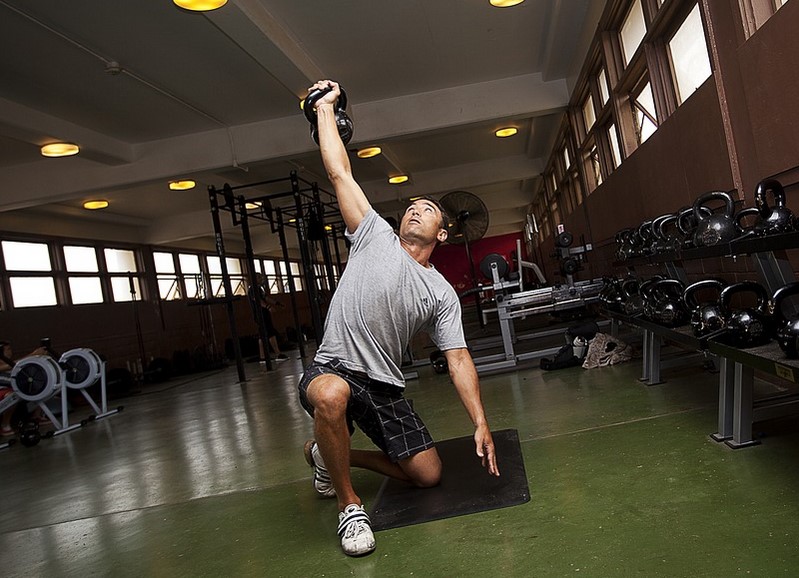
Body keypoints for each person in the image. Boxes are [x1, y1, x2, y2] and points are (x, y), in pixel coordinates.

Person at [297, 80, 500, 557]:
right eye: (411, 206)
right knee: (330, 393)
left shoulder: (440, 292)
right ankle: (350, 506)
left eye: (426, 209)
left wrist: (480, 421)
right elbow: (339, 172)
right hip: (334, 367)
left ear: (443, 233)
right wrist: (325, 108)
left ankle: (326, 459)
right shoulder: (373, 235)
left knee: (427, 475)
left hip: (384, 385)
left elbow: (458, 358)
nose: (415, 209)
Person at [0, 340, 48, 436]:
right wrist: (33, 355)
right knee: (12, 395)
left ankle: (37, 416)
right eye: (8, 349)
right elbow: (12, 365)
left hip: (13, 387)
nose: (10, 351)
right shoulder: (5, 365)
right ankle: (4, 425)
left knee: (41, 387)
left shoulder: (9, 363)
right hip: (3, 391)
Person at [248, 273, 288, 362]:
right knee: (270, 332)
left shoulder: (259, 288)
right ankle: (278, 353)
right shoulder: (253, 289)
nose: (261, 279)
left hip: (263, 314)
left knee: (262, 335)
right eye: (259, 277)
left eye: (261, 277)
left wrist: (277, 303)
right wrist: (268, 307)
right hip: (260, 314)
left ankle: (263, 357)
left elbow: (265, 298)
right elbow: (257, 300)